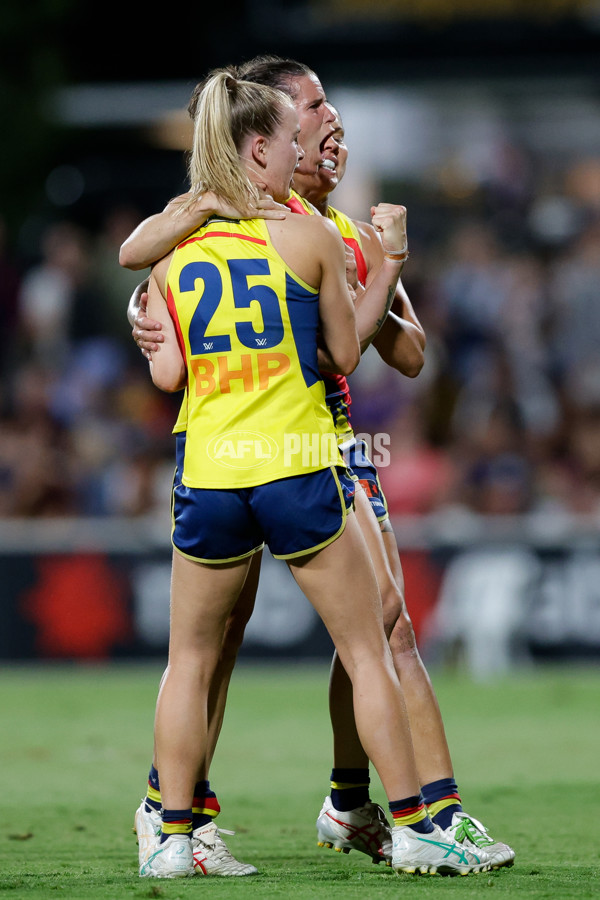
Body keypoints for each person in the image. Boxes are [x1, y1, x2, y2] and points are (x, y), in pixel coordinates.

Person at [122, 56, 511, 873]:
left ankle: (220, 818)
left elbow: (408, 352)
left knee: (354, 630)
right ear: (270, 137)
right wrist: (380, 269)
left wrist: (153, 305)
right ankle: (399, 817)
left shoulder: (252, 228)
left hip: (231, 458)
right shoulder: (305, 232)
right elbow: (353, 348)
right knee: (330, 636)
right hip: (306, 451)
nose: (328, 122)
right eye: (312, 109)